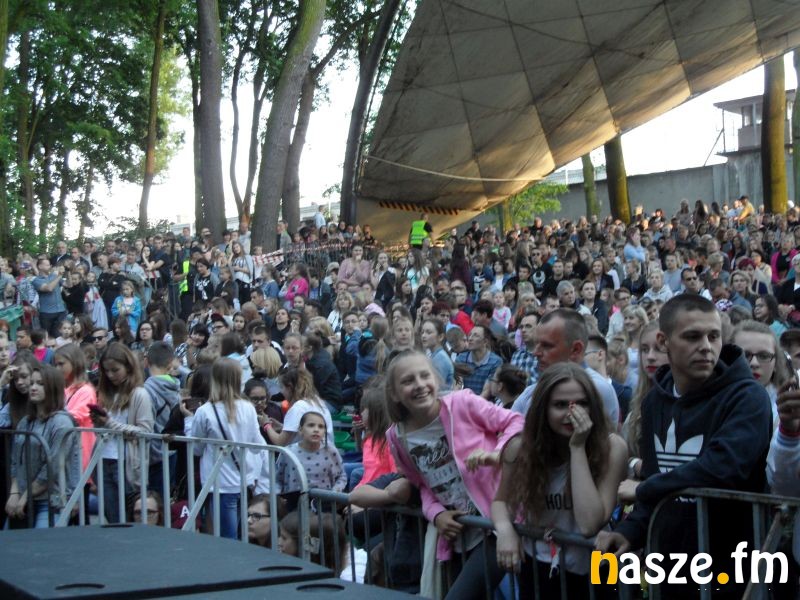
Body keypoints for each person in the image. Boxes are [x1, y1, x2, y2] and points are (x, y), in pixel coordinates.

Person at [595, 295, 772, 598]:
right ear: (664, 342)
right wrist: (631, 529)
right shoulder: (654, 401)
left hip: (732, 572)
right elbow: (655, 477)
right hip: (671, 569)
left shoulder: (747, 397)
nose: (706, 346)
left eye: (713, 336)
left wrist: (645, 488)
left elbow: (724, 466)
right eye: (692, 336)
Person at [385, 350, 524, 600]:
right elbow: (422, 485)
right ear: (394, 393)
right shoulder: (397, 437)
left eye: (424, 376)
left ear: (436, 379)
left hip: (497, 525)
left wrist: (498, 453)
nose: (419, 385)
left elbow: (516, 421)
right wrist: (436, 514)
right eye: (408, 380)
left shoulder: (462, 404)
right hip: (459, 535)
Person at [492, 363, 627, 598]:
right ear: (543, 408)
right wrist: (505, 531)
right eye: (560, 405)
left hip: (599, 566)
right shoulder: (520, 448)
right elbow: (500, 501)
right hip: (542, 564)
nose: (571, 413)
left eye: (582, 403)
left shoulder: (613, 447)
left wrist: (577, 448)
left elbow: (589, 524)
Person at [185, 358, 263, 539]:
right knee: (239, 534)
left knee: (227, 536)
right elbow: (257, 445)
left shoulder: (205, 411)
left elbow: (196, 449)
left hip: (220, 482)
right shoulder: (248, 408)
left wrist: (188, 420)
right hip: (244, 479)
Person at [512, 309, 620, 430]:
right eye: (537, 344)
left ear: (576, 350)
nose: (536, 353)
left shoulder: (596, 389)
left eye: (547, 346)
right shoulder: (530, 393)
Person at [5, 364, 80, 528]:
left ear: (52, 388)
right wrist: (14, 492)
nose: (33, 387)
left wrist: (25, 496)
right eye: (32, 383)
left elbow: (52, 468)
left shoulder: (62, 422)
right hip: (23, 497)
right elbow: (15, 461)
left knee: (42, 542)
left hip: (52, 500)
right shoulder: (25, 422)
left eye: (40, 384)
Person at [90, 343, 154, 524]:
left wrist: (109, 423)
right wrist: (98, 421)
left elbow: (145, 432)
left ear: (128, 367)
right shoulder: (105, 394)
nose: (110, 375)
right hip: (103, 460)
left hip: (127, 463)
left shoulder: (140, 394)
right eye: (106, 371)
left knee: (129, 518)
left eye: (115, 370)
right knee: (112, 518)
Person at [275, 411, 346, 509]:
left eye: (321, 427)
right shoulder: (288, 452)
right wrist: (278, 498)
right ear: (300, 430)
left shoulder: (330, 451)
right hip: (294, 504)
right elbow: (277, 479)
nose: (316, 430)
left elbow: (342, 476)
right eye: (311, 425)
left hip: (323, 504)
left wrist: (335, 492)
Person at [732, 320, 792, 428]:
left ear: (776, 363)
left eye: (764, 356)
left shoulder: (788, 410)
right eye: (745, 355)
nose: (754, 363)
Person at [265, 367, 334, 447]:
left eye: (282, 387)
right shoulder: (318, 402)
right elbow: (302, 431)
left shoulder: (298, 407)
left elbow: (280, 442)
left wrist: (266, 425)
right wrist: (282, 426)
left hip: (307, 454)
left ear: (289, 387)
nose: (281, 392)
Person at [53, 344, 96, 472]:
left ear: (74, 363)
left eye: (61, 364)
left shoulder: (86, 391)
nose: (57, 368)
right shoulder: (62, 389)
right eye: (56, 364)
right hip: (64, 452)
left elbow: (73, 418)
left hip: (80, 454)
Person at [455, 325, 502, 395]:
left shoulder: (495, 361)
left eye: (476, 335)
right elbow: (458, 385)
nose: (470, 338)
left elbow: (486, 391)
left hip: (484, 401)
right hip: (464, 399)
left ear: (485, 342)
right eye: (470, 335)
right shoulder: (461, 358)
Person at [420, 318, 454, 391]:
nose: (423, 336)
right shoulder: (435, 355)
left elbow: (436, 388)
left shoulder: (440, 358)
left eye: (428, 332)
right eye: (422, 332)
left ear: (440, 337)